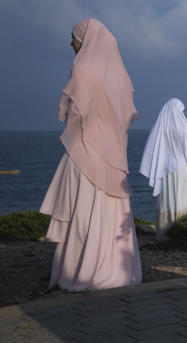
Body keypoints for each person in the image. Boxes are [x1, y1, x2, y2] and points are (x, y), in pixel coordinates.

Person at [40, 19, 142, 291]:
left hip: (85, 152)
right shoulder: (120, 74)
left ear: (85, 40)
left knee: (82, 211)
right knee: (109, 209)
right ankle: (114, 268)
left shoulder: (83, 67)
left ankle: (78, 269)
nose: (71, 43)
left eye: (73, 37)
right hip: (114, 156)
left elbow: (73, 113)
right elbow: (127, 116)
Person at [139, 98, 187, 240]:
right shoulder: (186, 128)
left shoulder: (160, 130)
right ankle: (186, 234)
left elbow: (154, 154)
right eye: (182, 111)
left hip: (166, 173)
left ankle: (166, 235)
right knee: (186, 200)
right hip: (184, 174)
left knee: (168, 200)